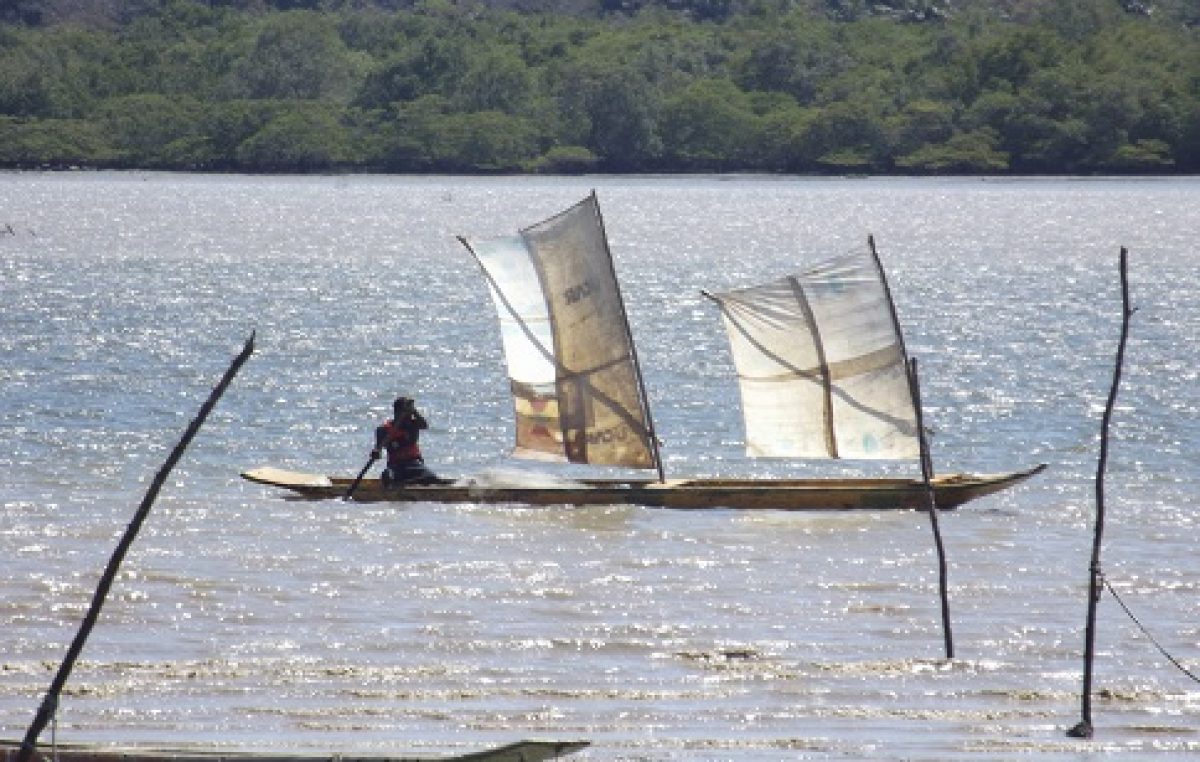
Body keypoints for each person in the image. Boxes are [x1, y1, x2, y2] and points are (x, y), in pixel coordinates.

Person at [372, 396, 442, 486]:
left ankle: (408, 483)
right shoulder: (383, 430)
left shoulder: (413, 425)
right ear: (396, 412)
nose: (409, 416)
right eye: (407, 413)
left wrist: (414, 411)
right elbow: (378, 449)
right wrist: (376, 452)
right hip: (395, 466)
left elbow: (424, 425)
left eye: (410, 413)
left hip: (414, 464)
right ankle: (400, 485)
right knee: (386, 477)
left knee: (431, 478)